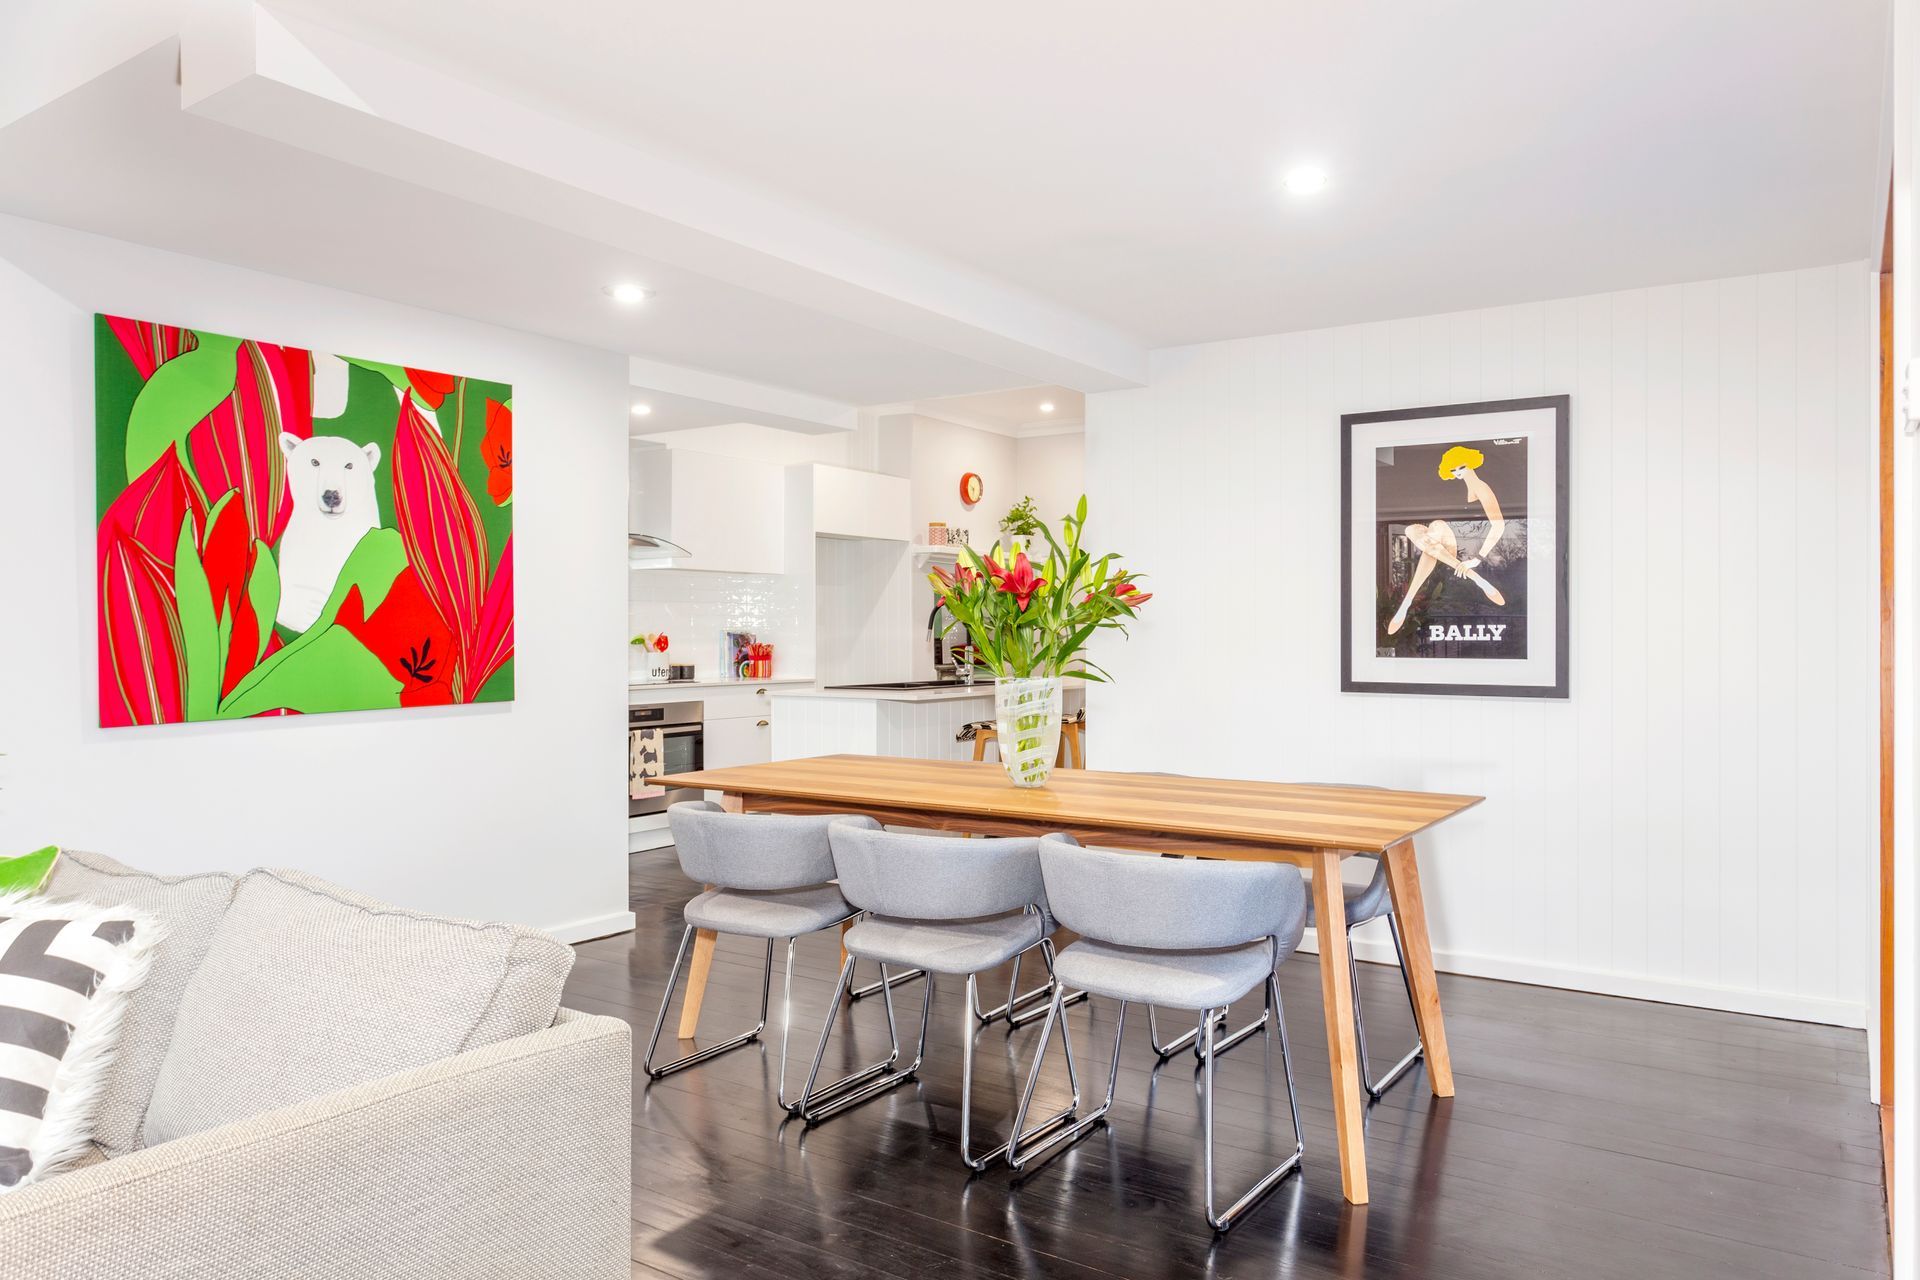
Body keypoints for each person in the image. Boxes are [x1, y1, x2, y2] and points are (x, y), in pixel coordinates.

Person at [1386, 444, 1507, 636]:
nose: (1458, 473)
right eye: (1454, 470)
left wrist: (1478, 558)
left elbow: (1499, 525)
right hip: (1443, 546)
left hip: (1457, 547)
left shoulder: (1482, 488)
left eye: (1462, 467)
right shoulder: (1457, 490)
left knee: (1435, 527)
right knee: (1416, 529)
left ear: (1471, 462)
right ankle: (1477, 579)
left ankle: (1406, 602)